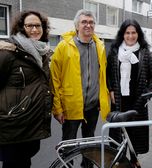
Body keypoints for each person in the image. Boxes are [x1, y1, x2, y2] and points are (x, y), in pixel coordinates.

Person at [50, 9, 110, 167]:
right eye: (84, 22)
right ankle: (65, 166)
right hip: (71, 105)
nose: (88, 25)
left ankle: (87, 166)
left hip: (92, 106)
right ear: (77, 25)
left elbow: (102, 76)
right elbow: (54, 79)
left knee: (89, 142)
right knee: (68, 144)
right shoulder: (64, 47)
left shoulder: (100, 46)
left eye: (91, 22)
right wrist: (57, 108)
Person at [0, 10, 52, 168]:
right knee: (13, 164)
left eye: (38, 25)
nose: (35, 29)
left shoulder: (42, 53)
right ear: (21, 27)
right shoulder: (8, 52)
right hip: (13, 125)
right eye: (30, 26)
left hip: (31, 125)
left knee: (24, 162)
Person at [106, 19, 152, 166]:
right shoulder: (115, 52)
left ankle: (134, 161)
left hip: (138, 100)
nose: (130, 36)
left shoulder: (144, 52)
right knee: (118, 137)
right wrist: (110, 90)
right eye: (127, 33)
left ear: (138, 34)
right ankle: (119, 163)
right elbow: (108, 73)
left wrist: (148, 92)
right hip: (119, 100)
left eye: (133, 32)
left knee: (135, 136)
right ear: (122, 34)